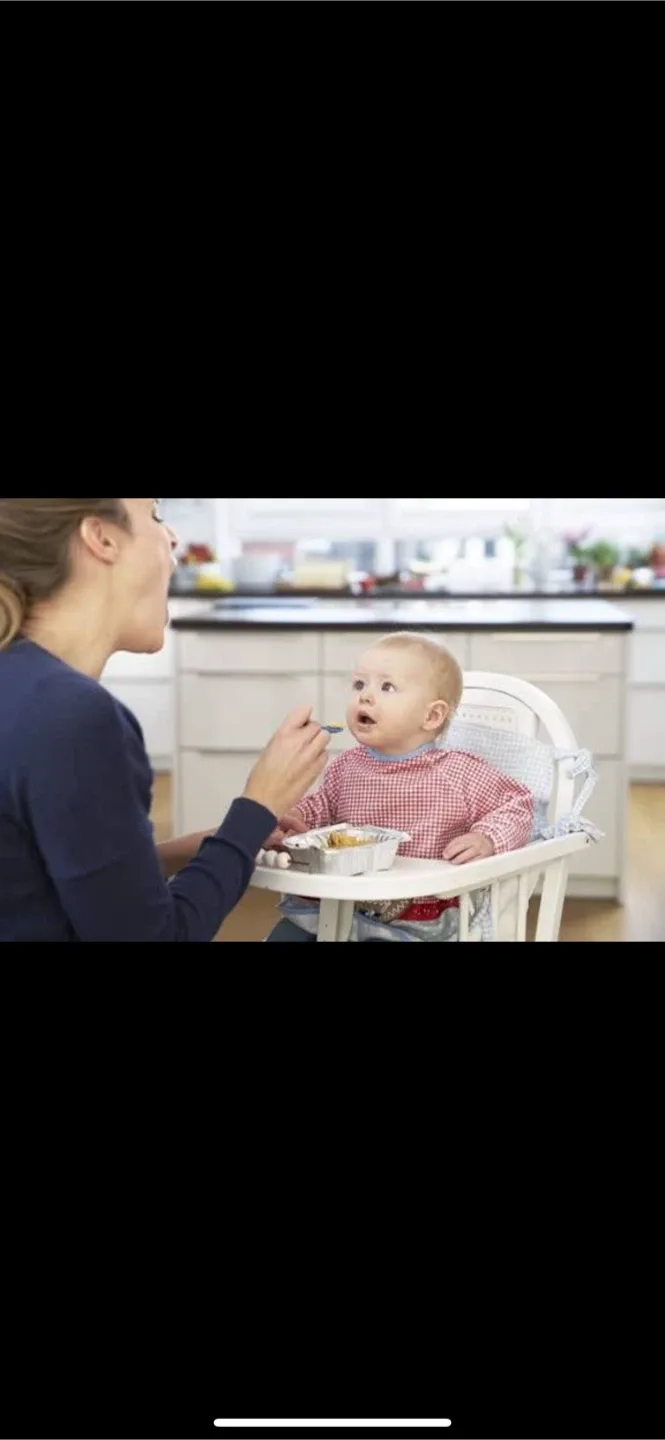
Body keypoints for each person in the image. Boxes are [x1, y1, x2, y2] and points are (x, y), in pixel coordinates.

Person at [0, 498, 329, 942]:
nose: (172, 536)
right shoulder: (74, 718)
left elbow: (53, 883)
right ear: (101, 538)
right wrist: (260, 803)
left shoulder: (21, 685)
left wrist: (223, 841)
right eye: (154, 515)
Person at [266, 631, 534, 942]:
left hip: (411, 920)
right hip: (341, 906)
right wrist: (294, 819)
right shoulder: (346, 766)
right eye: (359, 684)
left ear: (432, 715)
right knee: (286, 935)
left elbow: (518, 804)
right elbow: (322, 806)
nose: (365, 696)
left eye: (387, 686)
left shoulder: (458, 771)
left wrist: (486, 837)